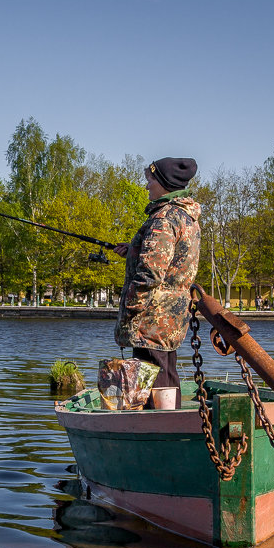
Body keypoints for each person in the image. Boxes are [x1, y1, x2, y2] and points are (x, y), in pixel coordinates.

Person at [111, 157, 201, 408]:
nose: (146, 186)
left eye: (150, 180)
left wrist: (131, 307)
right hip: (170, 315)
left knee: (153, 375)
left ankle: (161, 431)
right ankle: (173, 423)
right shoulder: (184, 215)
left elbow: (150, 274)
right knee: (166, 371)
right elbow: (172, 259)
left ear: (164, 183)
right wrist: (135, 249)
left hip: (153, 316)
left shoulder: (163, 219)